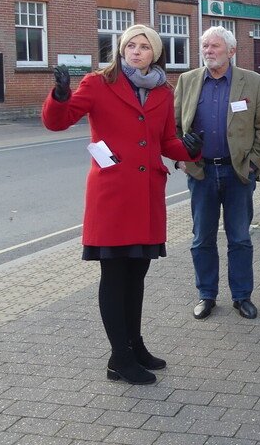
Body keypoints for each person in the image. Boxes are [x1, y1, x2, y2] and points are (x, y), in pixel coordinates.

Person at [42, 25, 201, 385]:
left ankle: (134, 345)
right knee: (114, 276)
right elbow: (58, 122)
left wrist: (190, 148)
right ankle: (119, 359)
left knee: (137, 275)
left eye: (145, 47)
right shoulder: (98, 84)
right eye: (131, 45)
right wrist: (60, 95)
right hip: (112, 197)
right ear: (121, 50)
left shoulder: (163, 91)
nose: (136, 51)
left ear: (155, 54)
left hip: (145, 196)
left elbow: (166, 141)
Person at [175, 26, 260, 321]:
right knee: (201, 239)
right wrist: (181, 158)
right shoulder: (187, 81)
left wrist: (255, 164)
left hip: (238, 174)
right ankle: (206, 295)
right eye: (205, 46)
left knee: (240, 239)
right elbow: (171, 125)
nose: (208, 51)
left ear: (232, 51)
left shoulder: (254, 83)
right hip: (201, 173)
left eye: (215, 46)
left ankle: (242, 296)